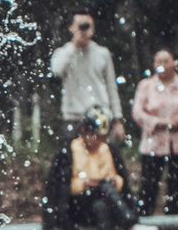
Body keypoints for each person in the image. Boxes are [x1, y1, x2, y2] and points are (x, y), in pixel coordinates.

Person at [47, 107, 141, 230]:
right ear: (84, 130)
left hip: (104, 201)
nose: (97, 140)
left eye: (101, 137)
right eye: (95, 135)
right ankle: (130, 224)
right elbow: (62, 187)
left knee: (102, 205)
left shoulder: (107, 149)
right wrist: (84, 184)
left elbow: (119, 179)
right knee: (102, 189)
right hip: (78, 205)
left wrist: (114, 182)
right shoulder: (69, 150)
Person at [131, 50, 178, 220]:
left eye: (166, 61)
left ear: (174, 63)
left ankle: (173, 223)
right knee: (149, 185)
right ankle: (143, 221)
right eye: (158, 61)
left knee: (177, 185)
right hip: (153, 143)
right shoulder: (146, 86)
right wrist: (160, 122)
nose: (162, 65)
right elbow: (137, 113)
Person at [50, 11, 126, 142]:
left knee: (107, 159)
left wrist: (117, 120)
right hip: (72, 117)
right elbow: (56, 70)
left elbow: (111, 87)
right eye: (81, 26)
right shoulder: (63, 52)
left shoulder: (102, 53)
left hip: (101, 116)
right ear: (71, 28)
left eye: (87, 26)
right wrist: (74, 46)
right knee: (68, 160)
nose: (84, 30)